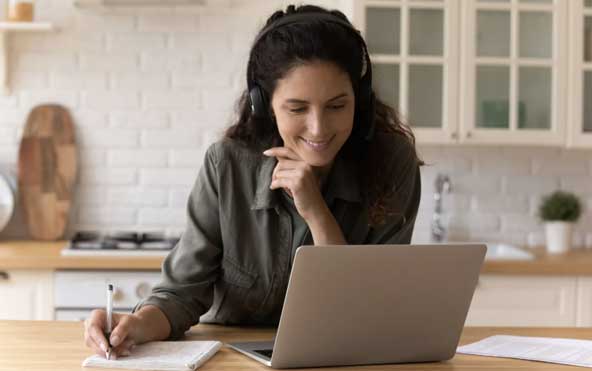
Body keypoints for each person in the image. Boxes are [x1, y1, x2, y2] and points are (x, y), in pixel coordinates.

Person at [84, 4, 422, 359]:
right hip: (231, 359)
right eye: (297, 109)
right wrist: (133, 326)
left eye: (337, 106)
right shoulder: (227, 164)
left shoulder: (392, 163)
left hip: (342, 360)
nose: (319, 128)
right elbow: (181, 294)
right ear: (265, 105)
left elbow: (365, 313)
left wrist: (316, 212)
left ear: (360, 99)